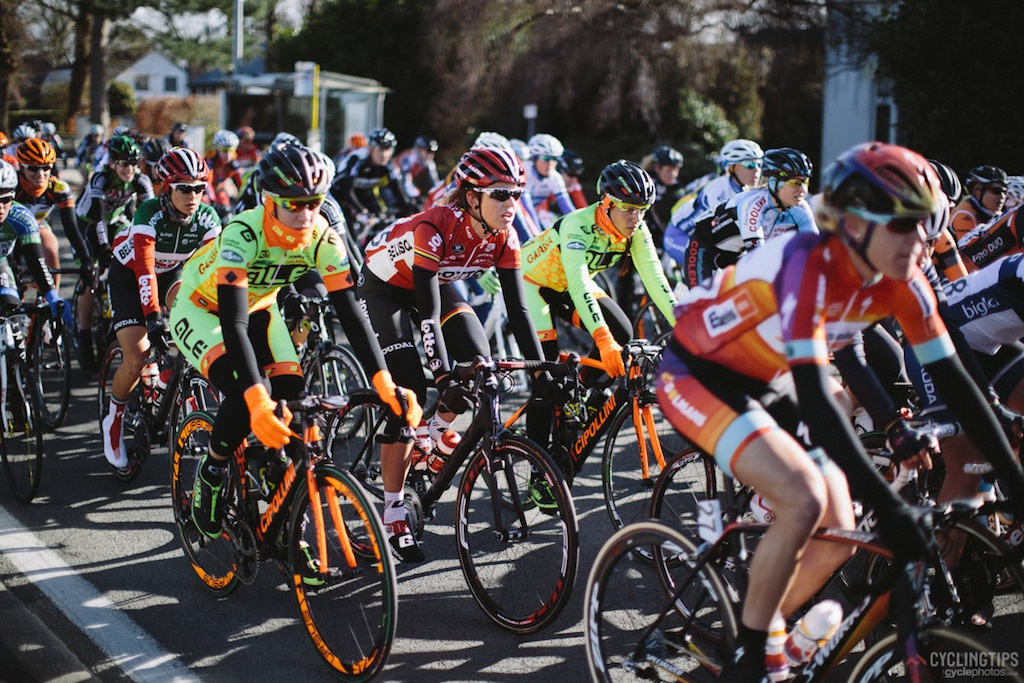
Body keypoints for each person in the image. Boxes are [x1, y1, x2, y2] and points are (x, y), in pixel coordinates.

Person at [655, 141, 1024, 681]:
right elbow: (816, 395)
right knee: (802, 499)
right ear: (854, 225)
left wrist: (1013, 479)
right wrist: (890, 505)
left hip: (770, 374)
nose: (920, 241)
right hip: (698, 371)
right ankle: (748, 659)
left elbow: (959, 383)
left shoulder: (904, 277)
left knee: (841, 528)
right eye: (904, 225)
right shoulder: (806, 265)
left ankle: (763, 626)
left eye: (927, 225)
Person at [169, 143, 421, 562]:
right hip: (203, 310)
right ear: (271, 201)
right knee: (244, 391)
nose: (306, 215)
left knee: (293, 395)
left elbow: (353, 315)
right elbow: (232, 324)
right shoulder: (242, 233)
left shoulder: (323, 236)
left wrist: (384, 382)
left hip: (260, 306)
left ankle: (281, 511)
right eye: (295, 205)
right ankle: (213, 468)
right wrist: (255, 401)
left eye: (315, 203)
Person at [520, 159, 677, 418]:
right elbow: (579, 282)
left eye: (643, 210)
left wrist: (684, 326)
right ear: (606, 202)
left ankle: (577, 392)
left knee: (622, 332)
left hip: (567, 287)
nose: (636, 218)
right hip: (532, 286)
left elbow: (657, 281)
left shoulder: (636, 230)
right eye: (628, 209)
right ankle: (540, 455)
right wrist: (603, 341)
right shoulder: (577, 226)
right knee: (545, 383)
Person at [101, 148, 223, 479]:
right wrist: (153, 317)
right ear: (165, 187)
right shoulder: (148, 213)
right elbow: (144, 271)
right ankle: (113, 418)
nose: (193, 196)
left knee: (198, 320)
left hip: (170, 274)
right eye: (184, 188)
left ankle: (172, 378)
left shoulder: (208, 219)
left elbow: (212, 275)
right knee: (138, 354)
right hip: (129, 276)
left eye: (200, 187)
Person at [75, 135, 155, 372]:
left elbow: (149, 214)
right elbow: (98, 216)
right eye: (123, 163)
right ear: (112, 163)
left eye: (133, 163)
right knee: (90, 277)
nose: (129, 169)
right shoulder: (100, 178)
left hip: (116, 223)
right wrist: (103, 248)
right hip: (88, 224)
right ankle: (84, 332)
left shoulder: (141, 180)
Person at [683, 147, 817, 287]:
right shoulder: (753, 205)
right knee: (703, 304)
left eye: (805, 182)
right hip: (705, 248)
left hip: (736, 255)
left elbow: (816, 251)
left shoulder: (801, 209)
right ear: (773, 182)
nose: (803, 190)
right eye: (795, 183)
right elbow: (758, 259)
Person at [662, 138, 764, 269]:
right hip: (679, 236)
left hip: (704, 240)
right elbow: (720, 228)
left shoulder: (746, 191)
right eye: (749, 165)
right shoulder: (719, 188)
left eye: (759, 164)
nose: (756, 170)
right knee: (707, 269)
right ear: (732, 167)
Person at [0, 160, 74, 333]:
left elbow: (35, 259)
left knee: (10, 305)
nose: (0, 207)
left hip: (2, 262)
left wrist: (52, 295)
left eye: (6, 199)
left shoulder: (22, 217)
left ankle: (14, 352)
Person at [13, 138, 93, 296]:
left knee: (51, 247)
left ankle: (52, 299)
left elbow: (71, 228)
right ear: (21, 167)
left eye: (46, 167)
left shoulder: (58, 188)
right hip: (10, 232)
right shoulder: (13, 186)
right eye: (33, 169)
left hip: (36, 227)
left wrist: (86, 260)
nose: (40, 174)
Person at [331, 127, 415, 229]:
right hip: (340, 195)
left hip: (363, 194)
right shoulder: (356, 159)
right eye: (380, 150)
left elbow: (399, 191)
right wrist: (362, 211)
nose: (384, 155)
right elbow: (346, 191)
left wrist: (411, 210)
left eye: (388, 149)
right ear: (370, 149)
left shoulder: (389, 164)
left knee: (381, 216)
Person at [524, 133, 576, 229]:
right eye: (546, 158)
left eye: (554, 159)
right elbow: (527, 209)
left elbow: (568, 209)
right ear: (534, 158)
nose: (550, 164)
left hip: (531, 212)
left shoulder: (555, 177)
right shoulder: (525, 172)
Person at [951, 164, 1008, 242]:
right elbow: (969, 250)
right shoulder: (964, 214)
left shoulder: (993, 211)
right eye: (996, 191)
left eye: (1004, 192)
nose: (1002, 196)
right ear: (978, 191)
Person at [643, 145, 685, 245]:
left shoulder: (675, 185)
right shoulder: (646, 182)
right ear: (657, 168)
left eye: (676, 170)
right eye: (669, 170)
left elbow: (683, 205)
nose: (673, 174)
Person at [205, 129, 244, 219]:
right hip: (210, 195)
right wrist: (212, 200)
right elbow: (207, 182)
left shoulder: (234, 162)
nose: (228, 155)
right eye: (224, 150)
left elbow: (241, 181)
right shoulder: (210, 161)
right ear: (217, 149)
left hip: (227, 197)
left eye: (231, 150)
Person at [397, 135, 440, 206]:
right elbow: (404, 182)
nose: (431, 155)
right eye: (428, 151)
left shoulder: (429, 162)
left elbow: (435, 183)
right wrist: (413, 197)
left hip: (408, 181)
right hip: (396, 179)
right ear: (419, 150)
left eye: (433, 152)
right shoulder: (408, 159)